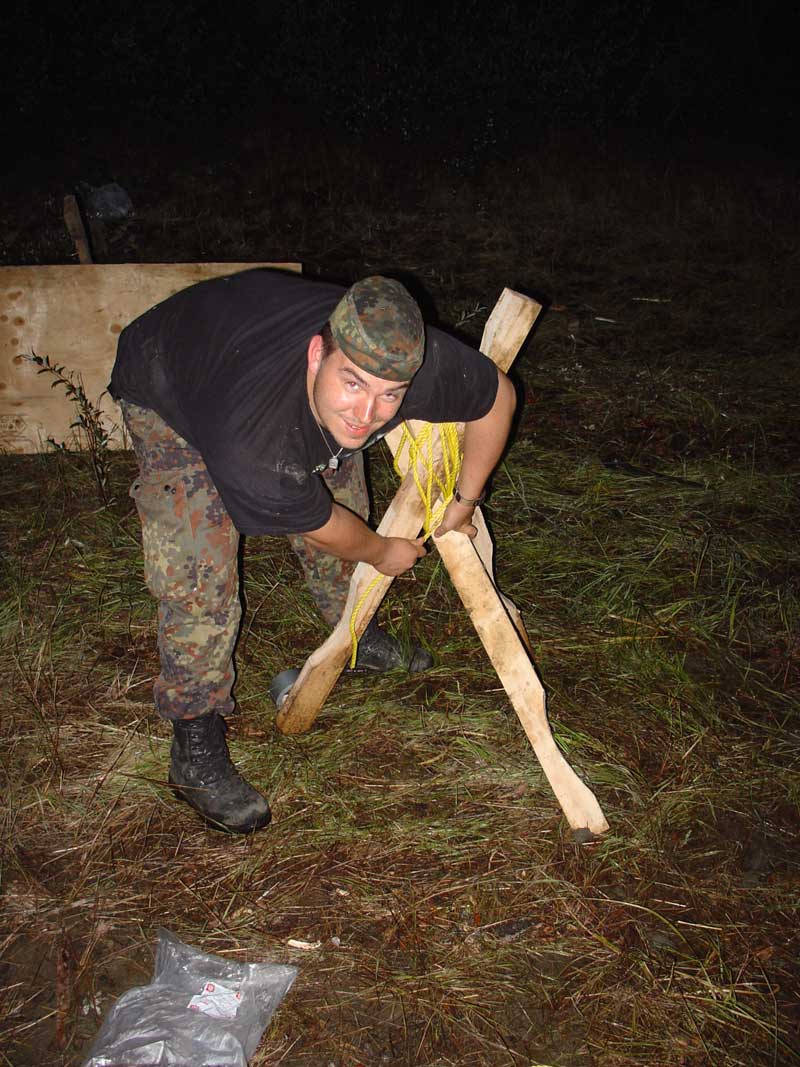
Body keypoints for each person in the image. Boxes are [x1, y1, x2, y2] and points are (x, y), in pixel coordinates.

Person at [110, 270, 516, 834]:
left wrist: (468, 499)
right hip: (168, 377)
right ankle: (193, 740)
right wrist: (380, 551)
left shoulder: (400, 357)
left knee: (340, 476)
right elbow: (322, 524)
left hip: (251, 335)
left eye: (389, 396)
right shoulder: (254, 443)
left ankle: (351, 633)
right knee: (199, 573)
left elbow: (498, 398)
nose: (368, 412)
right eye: (352, 383)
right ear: (316, 353)